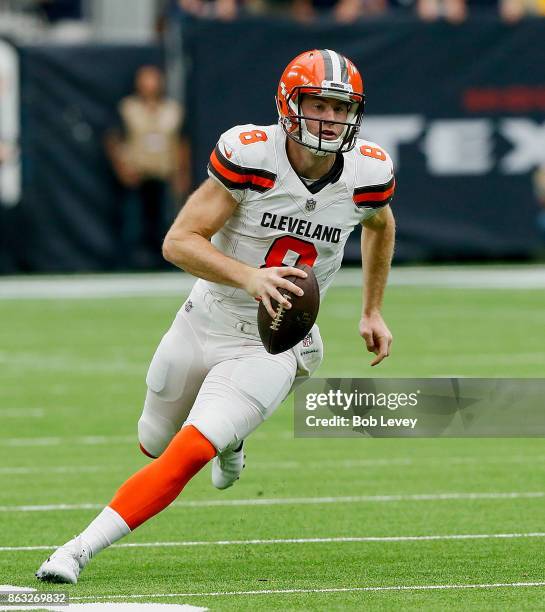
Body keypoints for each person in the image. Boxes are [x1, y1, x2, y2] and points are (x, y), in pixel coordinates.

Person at [36, 49, 396, 584]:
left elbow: (380, 224)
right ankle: (236, 438)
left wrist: (372, 310)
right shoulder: (252, 156)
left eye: (340, 109)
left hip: (273, 343)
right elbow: (178, 242)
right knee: (153, 440)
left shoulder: (368, 171)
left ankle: (76, 550)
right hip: (207, 315)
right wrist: (249, 277)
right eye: (317, 105)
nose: (330, 119)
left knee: (184, 454)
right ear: (289, 105)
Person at [105, 65, 189, 269]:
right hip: (136, 175)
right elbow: (113, 139)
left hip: (163, 174)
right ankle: (128, 264)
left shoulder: (172, 110)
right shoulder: (128, 108)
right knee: (133, 222)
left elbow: (181, 143)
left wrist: (181, 173)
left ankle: (164, 264)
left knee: (165, 221)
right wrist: (122, 168)